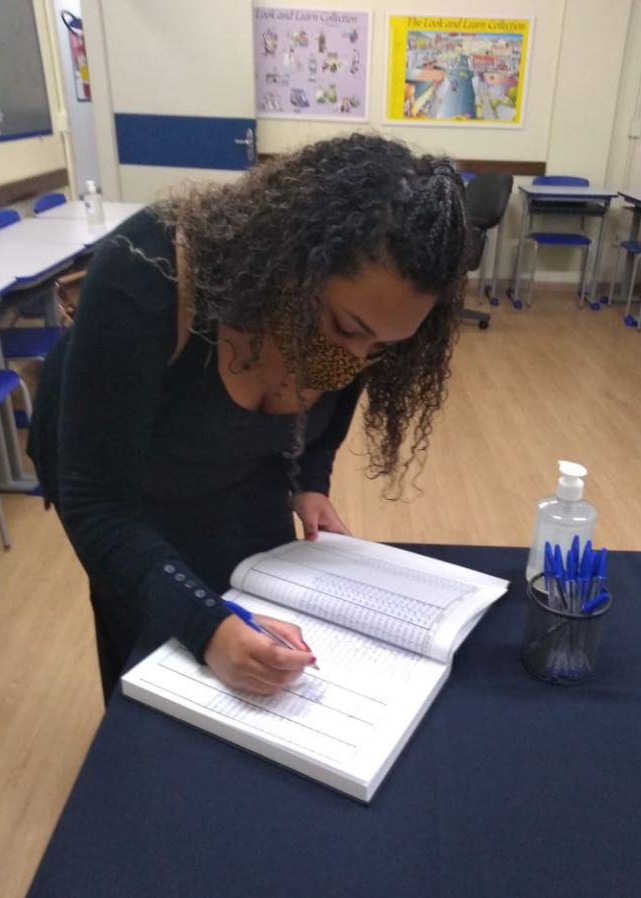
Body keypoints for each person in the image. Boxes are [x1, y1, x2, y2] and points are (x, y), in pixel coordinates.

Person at [29, 133, 468, 703]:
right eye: (347, 329)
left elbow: (331, 409)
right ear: (290, 263)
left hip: (239, 457)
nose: (357, 359)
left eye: (382, 347)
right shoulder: (147, 272)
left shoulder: (362, 324)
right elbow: (101, 508)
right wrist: (206, 626)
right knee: (151, 622)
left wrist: (311, 482)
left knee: (263, 605)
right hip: (118, 464)